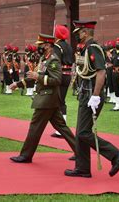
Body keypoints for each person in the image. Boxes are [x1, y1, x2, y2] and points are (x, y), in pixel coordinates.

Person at [65, 20, 119, 178]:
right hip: (85, 93)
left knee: (84, 133)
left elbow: (101, 72)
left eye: (78, 32)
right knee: (80, 133)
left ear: (85, 32)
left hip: (92, 95)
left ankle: (115, 154)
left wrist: (95, 96)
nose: (77, 36)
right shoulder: (86, 48)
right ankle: (82, 168)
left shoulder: (93, 48)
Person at [9, 33, 77, 163]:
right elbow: (35, 76)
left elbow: (57, 80)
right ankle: (80, 152)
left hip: (47, 99)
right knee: (62, 127)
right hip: (48, 99)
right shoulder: (44, 59)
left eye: (40, 45)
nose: (38, 47)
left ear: (47, 46)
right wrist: (18, 84)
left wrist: (37, 77)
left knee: (35, 126)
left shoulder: (53, 60)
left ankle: (26, 155)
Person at [51, 24, 74, 137]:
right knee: (61, 101)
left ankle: (61, 129)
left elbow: (56, 62)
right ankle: (61, 128)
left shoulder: (57, 46)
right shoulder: (69, 46)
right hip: (67, 75)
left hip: (59, 75)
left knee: (59, 101)